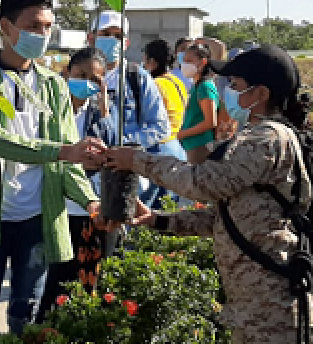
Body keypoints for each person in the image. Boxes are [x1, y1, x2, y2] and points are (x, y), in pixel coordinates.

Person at [106, 44, 313, 344]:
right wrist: (159, 220)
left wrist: (136, 160)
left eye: (234, 85)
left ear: (260, 93)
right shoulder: (260, 137)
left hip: (273, 311)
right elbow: (230, 217)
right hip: (254, 309)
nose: (227, 92)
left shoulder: (267, 139)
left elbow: (202, 183)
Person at [0, 0, 108, 344]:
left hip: (38, 219)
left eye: (48, 27)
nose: (43, 35)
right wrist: (63, 151)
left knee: (27, 316)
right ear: (6, 26)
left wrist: (91, 201)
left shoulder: (53, 85)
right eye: (35, 26)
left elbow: (67, 162)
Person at [35, 47, 119, 323]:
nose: (86, 83)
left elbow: (109, 151)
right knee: (58, 279)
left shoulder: (102, 113)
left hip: (90, 205)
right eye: (80, 75)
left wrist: (105, 108)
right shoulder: (48, 110)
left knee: (91, 277)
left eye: (94, 79)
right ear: (67, 73)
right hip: (59, 207)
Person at [87, 11, 172, 208]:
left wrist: (120, 146)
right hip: (85, 181)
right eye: (106, 34)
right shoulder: (76, 77)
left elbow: (160, 127)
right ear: (91, 38)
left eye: (118, 36)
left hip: (126, 178)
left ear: (126, 43)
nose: (112, 40)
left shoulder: (137, 78)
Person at [142, 39, 190, 207]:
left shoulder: (154, 85)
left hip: (158, 148)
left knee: (148, 208)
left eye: (145, 59)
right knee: (170, 207)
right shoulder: (177, 81)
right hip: (177, 147)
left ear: (152, 63)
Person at [178, 43, 219, 164]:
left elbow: (210, 122)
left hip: (199, 146)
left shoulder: (205, 87)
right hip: (191, 145)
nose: (185, 64)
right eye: (184, 61)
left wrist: (182, 134)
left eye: (189, 61)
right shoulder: (196, 86)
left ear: (203, 62)